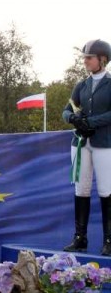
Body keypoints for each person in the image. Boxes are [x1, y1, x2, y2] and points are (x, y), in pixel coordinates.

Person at [62, 39, 111, 256]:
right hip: (81, 143)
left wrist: (91, 122)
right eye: (84, 58)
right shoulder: (81, 85)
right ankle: (80, 238)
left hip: (104, 143)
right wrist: (74, 118)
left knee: (106, 190)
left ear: (102, 59)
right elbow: (66, 110)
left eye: (88, 58)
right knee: (81, 189)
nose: (85, 61)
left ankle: (109, 240)